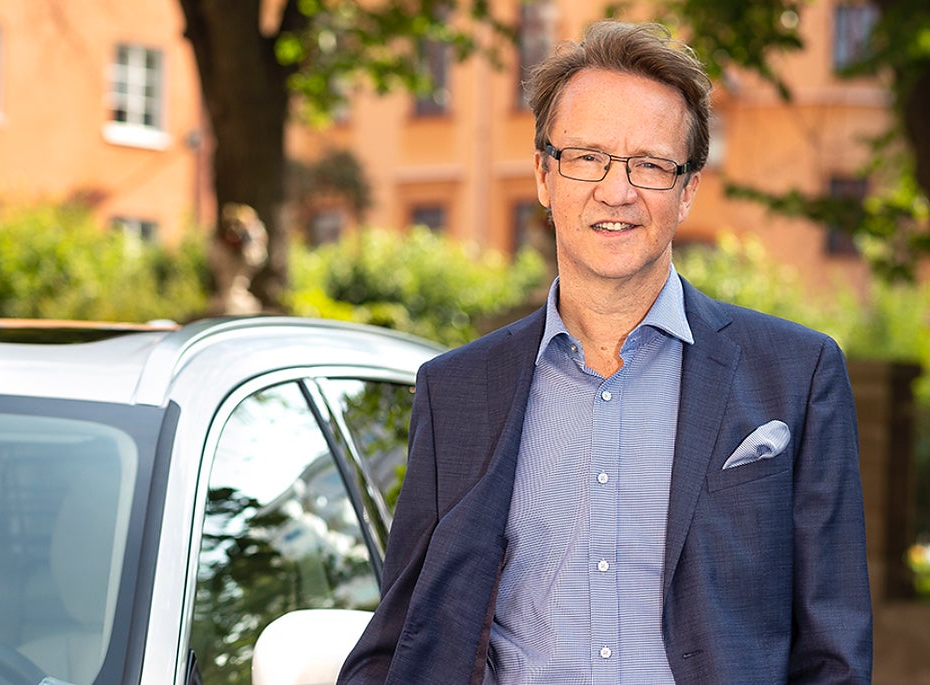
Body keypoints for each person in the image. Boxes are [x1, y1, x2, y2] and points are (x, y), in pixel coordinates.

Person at [338, 20, 872, 685]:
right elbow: (402, 637)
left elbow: (834, 655)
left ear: (688, 189)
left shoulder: (796, 375)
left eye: (649, 164)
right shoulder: (456, 391)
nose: (616, 191)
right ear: (544, 174)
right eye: (587, 156)